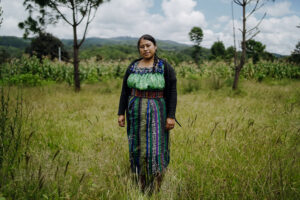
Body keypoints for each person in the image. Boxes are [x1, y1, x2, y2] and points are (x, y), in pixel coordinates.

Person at [117, 34, 177, 192]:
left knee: (156, 147)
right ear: (139, 49)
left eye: (148, 45)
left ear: (155, 47)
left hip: (157, 113)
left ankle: (157, 185)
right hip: (135, 113)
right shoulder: (133, 66)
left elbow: (172, 91)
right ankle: (141, 184)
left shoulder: (164, 66)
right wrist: (121, 112)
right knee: (136, 146)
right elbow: (125, 90)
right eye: (142, 46)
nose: (145, 49)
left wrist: (171, 116)